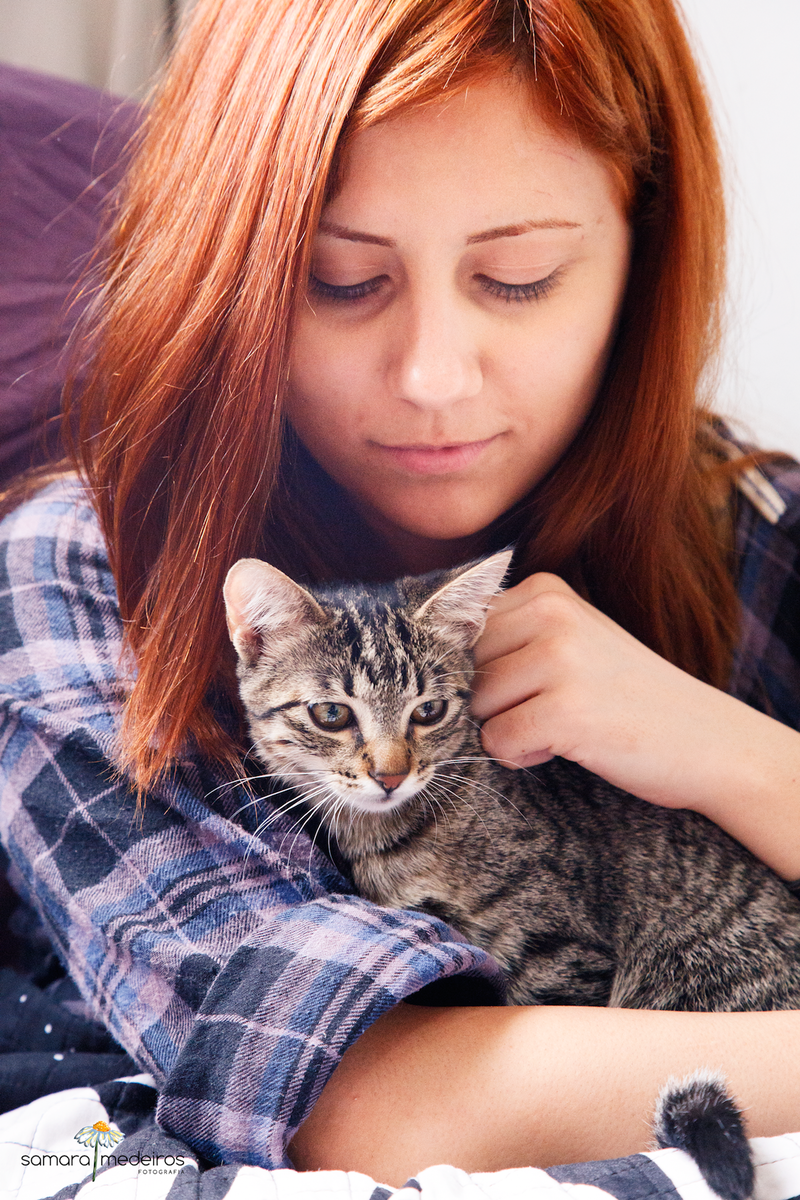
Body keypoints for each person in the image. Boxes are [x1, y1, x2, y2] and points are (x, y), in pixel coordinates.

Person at [2, 0, 800, 1186]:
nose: (431, 377)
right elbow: (357, 1101)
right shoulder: (79, 582)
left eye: (518, 279)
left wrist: (734, 757)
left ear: (642, 258)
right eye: (340, 280)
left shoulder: (757, 531)